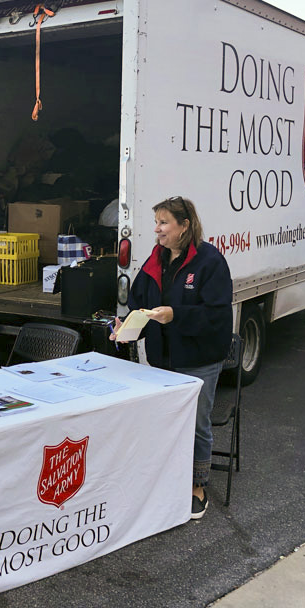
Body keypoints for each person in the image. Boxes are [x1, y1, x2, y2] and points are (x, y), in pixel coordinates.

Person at [112, 196, 232, 520]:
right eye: (157, 223)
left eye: (164, 223)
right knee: (164, 420)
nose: (157, 230)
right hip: (162, 358)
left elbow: (217, 317)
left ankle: (197, 486)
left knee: (196, 424)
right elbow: (139, 302)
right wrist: (125, 325)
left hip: (199, 359)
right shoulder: (156, 259)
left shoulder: (210, 262)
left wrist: (175, 315)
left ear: (185, 226)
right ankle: (167, 479)